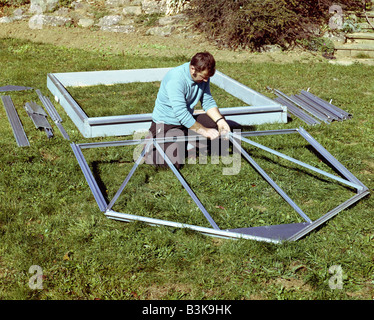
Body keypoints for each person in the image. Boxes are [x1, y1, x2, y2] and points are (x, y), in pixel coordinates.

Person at [145, 51, 231, 169]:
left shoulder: (203, 77)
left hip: (186, 121)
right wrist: (204, 131)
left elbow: (207, 102)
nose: (206, 80)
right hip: (166, 124)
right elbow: (181, 114)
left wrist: (220, 121)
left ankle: (188, 143)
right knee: (172, 163)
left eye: (208, 77)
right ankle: (151, 148)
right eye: (203, 77)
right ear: (192, 69)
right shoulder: (176, 79)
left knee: (215, 124)